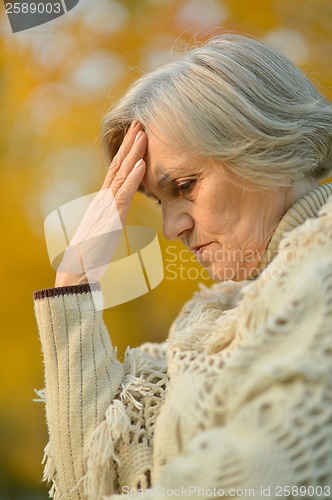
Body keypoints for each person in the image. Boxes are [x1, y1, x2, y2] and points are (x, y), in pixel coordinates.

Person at [34, 33, 332, 500]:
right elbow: (89, 483)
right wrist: (74, 281)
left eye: (186, 186)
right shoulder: (208, 324)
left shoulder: (323, 273)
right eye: (158, 202)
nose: (172, 227)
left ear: (267, 145)